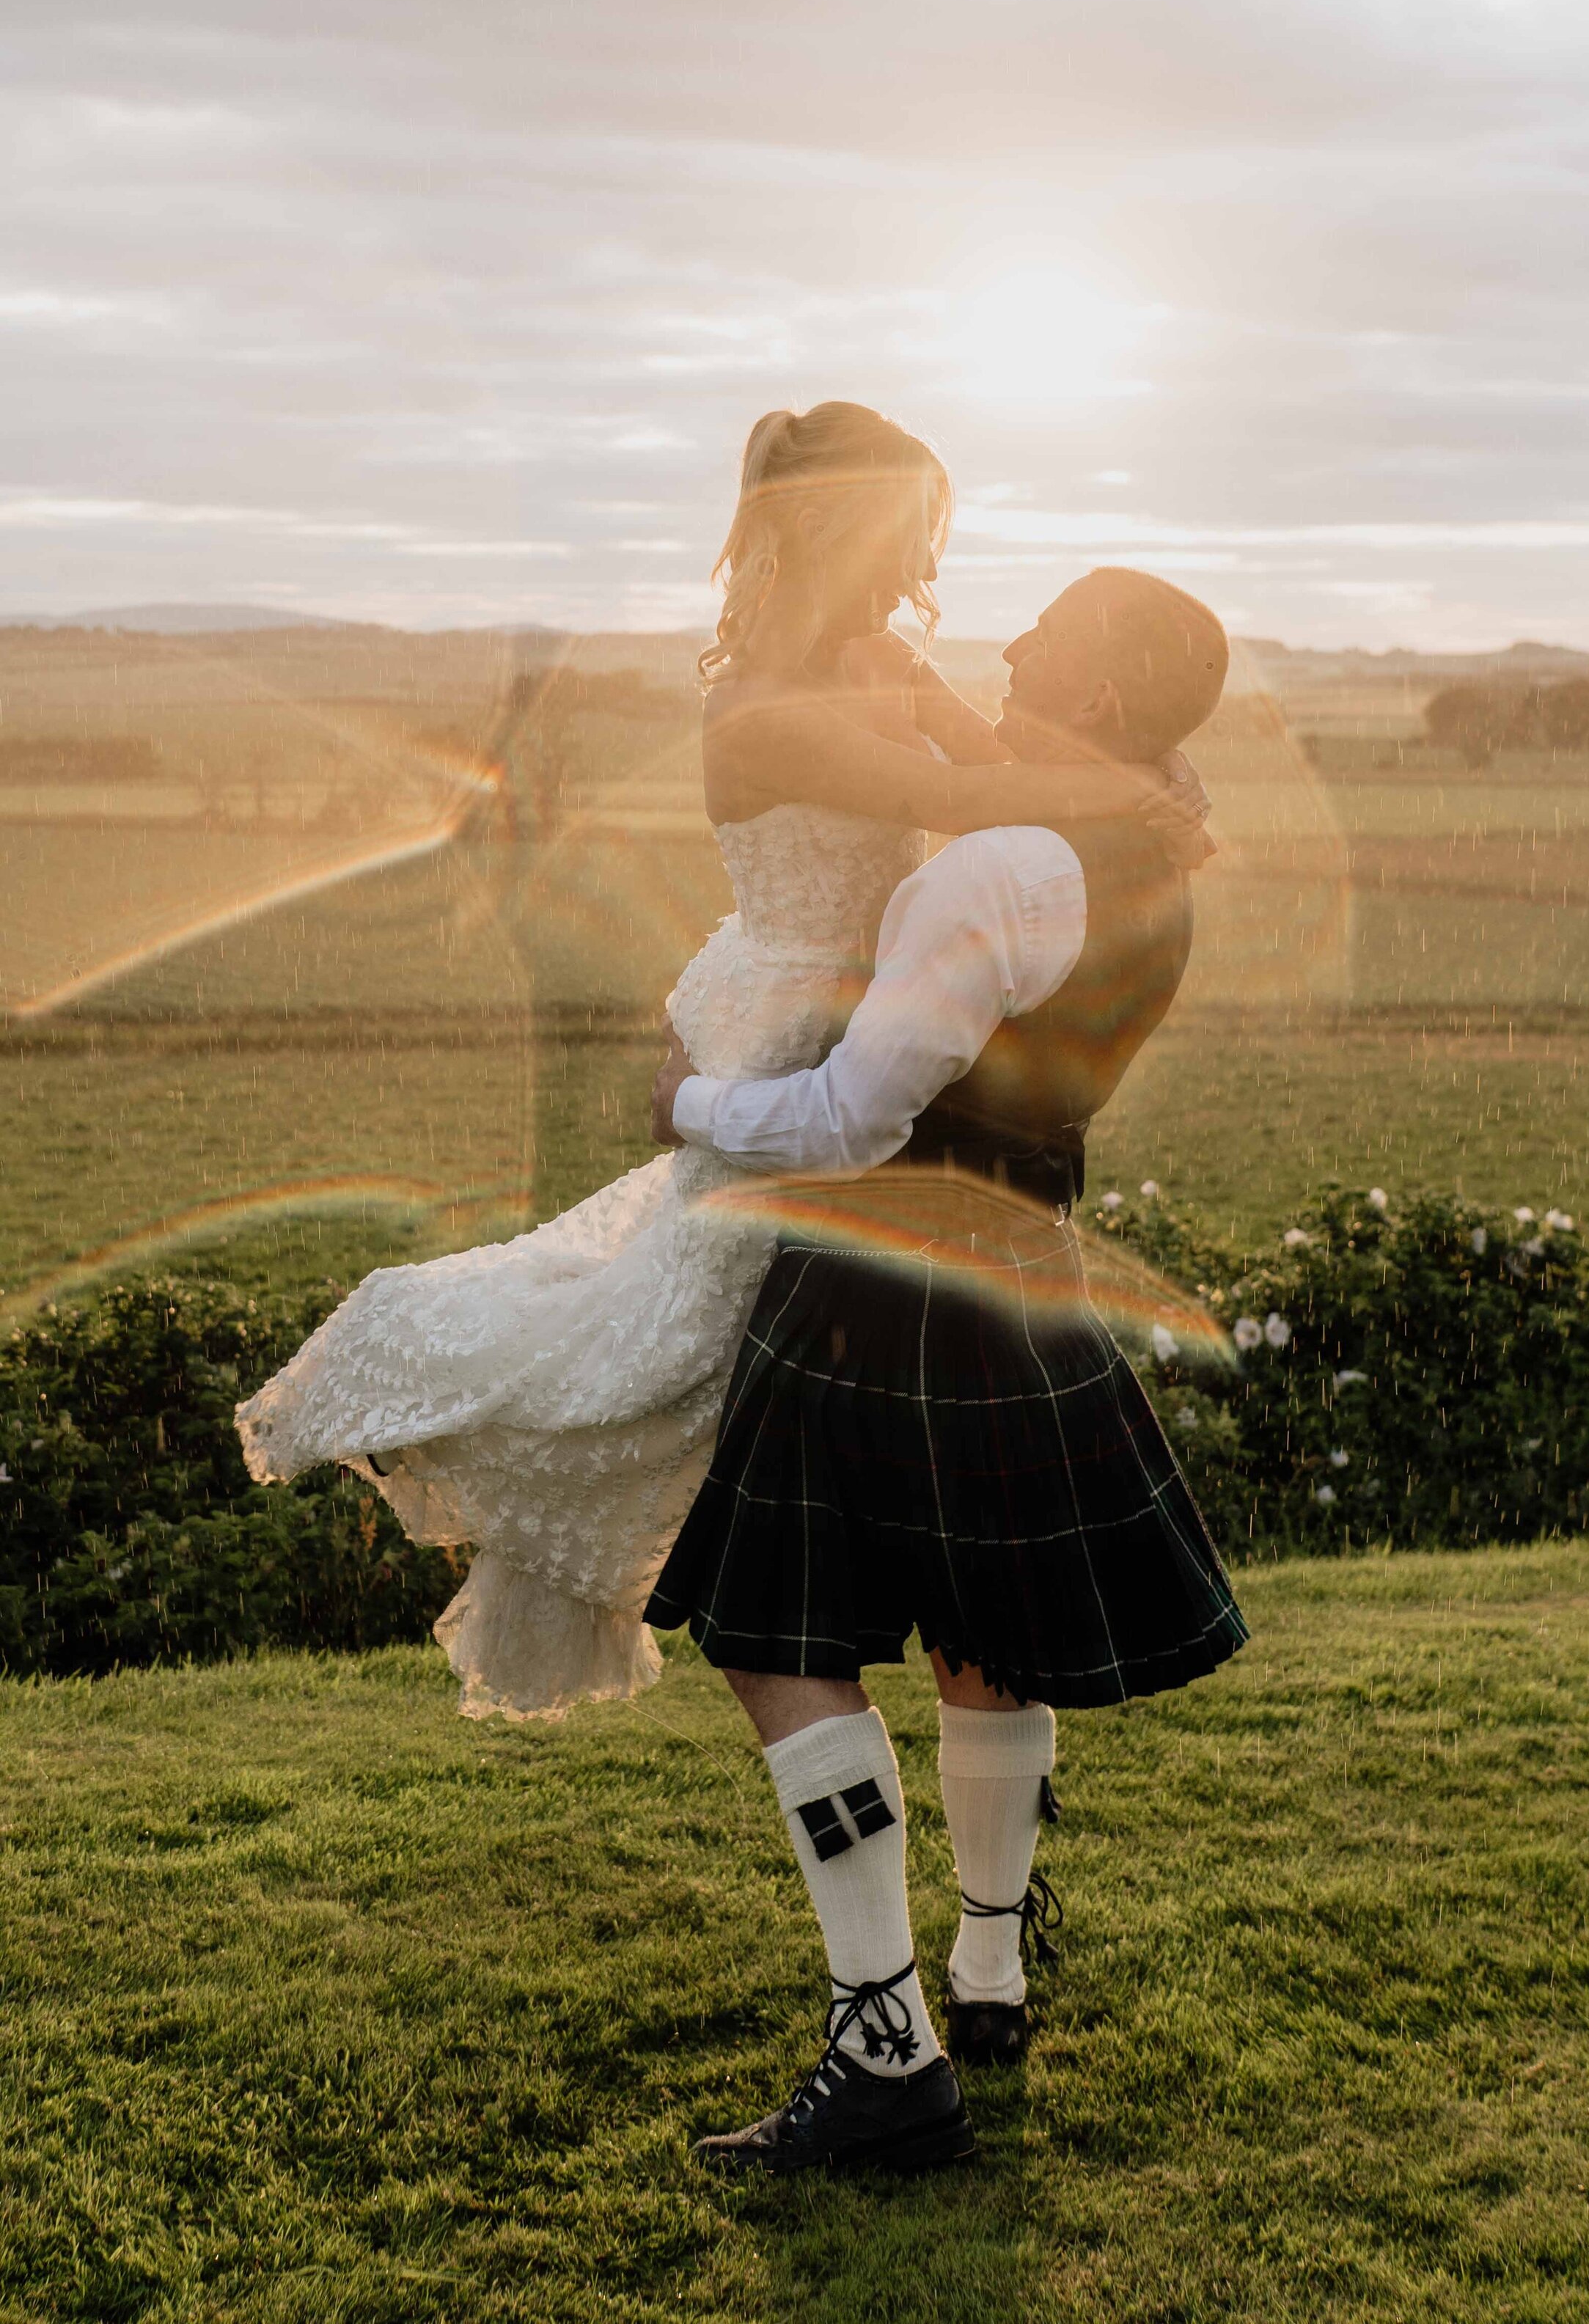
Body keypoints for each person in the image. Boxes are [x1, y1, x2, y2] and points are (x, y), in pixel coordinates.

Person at [235, 405, 1211, 1721]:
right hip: (788, 1019)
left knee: (758, 1341)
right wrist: (1146, 795)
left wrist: (1135, 771)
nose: (923, 578)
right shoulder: (759, 716)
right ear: (833, 531)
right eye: (908, 539)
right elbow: (975, 802)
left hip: (861, 1011)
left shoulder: (883, 658)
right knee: (672, 1347)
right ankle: (495, 1404)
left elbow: (1003, 763)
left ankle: (838, 1592)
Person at [645, 565, 1248, 2177]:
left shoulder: (986, 870)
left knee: (772, 1631)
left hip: (881, 1269)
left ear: (1102, 699)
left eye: (1046, 633)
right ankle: (989, 1966)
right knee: (987, 1621)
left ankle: (885, 2046)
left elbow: (851, 1116)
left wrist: (689, 1109)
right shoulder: (1153, 855)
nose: (1011, 642)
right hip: (1027, 1253)